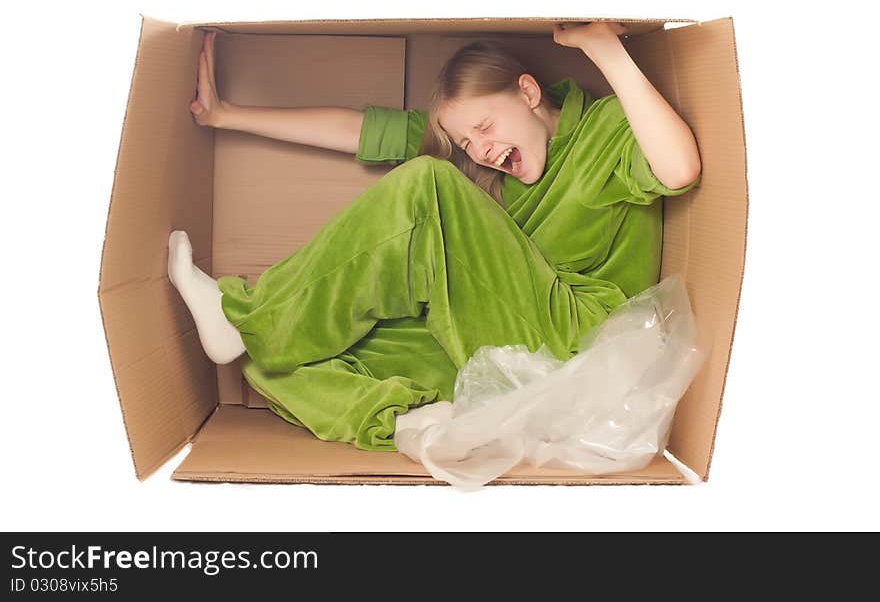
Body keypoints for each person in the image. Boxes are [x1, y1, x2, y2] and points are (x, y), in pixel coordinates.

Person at [168, 22, 702, 451]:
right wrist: (227, 114)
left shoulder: (603, 133)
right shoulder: (481, 172)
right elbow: (357, 129)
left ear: (529, 91)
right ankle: (405, 421)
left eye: (486, 127)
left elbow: (680, 169)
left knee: (426, 184)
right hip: (509, 355)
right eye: (468, 142)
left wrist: (604, 49)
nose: (481, 150)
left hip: (585, 342)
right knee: (277, 357)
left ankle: (248, 316)